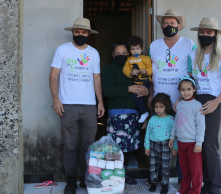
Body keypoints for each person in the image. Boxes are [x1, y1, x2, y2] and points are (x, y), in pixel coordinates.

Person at [49, 18, 105, 194]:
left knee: (88, 146)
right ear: (73, 32)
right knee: (70, 146)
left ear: (88, 33)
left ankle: (85, 178)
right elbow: (53, 76)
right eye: (77, 32)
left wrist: (100, 101)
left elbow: (96, 78)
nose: (80, 35)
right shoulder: (63, 50)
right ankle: (71, 180)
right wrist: (56, 99)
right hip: (68, 106)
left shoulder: (94, 53)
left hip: (89, 106)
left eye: (84, 32)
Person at [146, 8, 196, 185]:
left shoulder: (189, 44)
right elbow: (151, 73)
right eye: (165, 23)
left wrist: (186, 98)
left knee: (182, 143)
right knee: (158, 142)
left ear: (179, 26)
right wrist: (151, 95)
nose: (169, 26)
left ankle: (183, 178)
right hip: (160, 103)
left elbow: (192, 73)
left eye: (172, 23)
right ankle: (158, 176)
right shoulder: (154, 45)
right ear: (161, 26)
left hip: (181, 103)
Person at [188, 17, 221, 194]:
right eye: (202, 32)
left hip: (213, 102)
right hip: (196, 101)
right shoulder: (193, 54)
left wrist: (216, 102)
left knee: (209, 144)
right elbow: (190, 80)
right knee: (197, 144)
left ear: (215, 34)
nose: (205, 35)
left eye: (209, 32)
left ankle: (216, 187)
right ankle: (204, 183)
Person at [101, 42, 149, 185]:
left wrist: (144, 92)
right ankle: (114, 175)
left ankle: (125, 174)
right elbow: (108, 91)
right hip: (117, 114)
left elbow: (143, 85)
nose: (121, 55)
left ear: (128, 53)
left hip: (133, 113)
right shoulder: (109, 69)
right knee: (116, 147)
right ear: (113, 55)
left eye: (124, 53)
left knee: (128, 148)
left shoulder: (134, 66)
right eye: (118, 53)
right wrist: (129, 89)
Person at [169, 75, 205, 194]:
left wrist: (199, 143)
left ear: (194, 89)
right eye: (183, 90)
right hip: (181, 142)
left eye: (189, 89)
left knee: (195, 170)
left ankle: (195, 191)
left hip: (193, 143)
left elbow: (201, 126)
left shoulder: (197, 105)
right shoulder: (179, 105)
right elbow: (176, 123)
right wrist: (172, 137)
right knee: (185, 169)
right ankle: (184, 189)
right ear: (179, 91)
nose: (186, 92)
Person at [144, 93, 177, 194]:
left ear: (166, 107)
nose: (158, 109)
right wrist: (147, 146)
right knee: (153, 165)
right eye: (156, 107)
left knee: (165, 166)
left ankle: (165, 185)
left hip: (166, 145)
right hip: (153, 145)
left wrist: (175, 147)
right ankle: (154, 183)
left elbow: (175, 134)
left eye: (161, 107)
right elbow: (147, 133)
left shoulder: (171, 119)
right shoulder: (152, 119)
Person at [123, 35, 152, 123]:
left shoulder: (146, 58)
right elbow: (125, 70)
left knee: (139, 96)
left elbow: (152, 69)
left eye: (137, 49)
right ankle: (143, 113)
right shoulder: (129, 59)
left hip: (146, 82)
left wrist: (146, 71)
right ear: (129, 50)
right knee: (136, 96)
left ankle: (144, 113)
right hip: (136, 83)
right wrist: (131, 73)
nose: (135, 51)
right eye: (132, 49)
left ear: (142, 49)